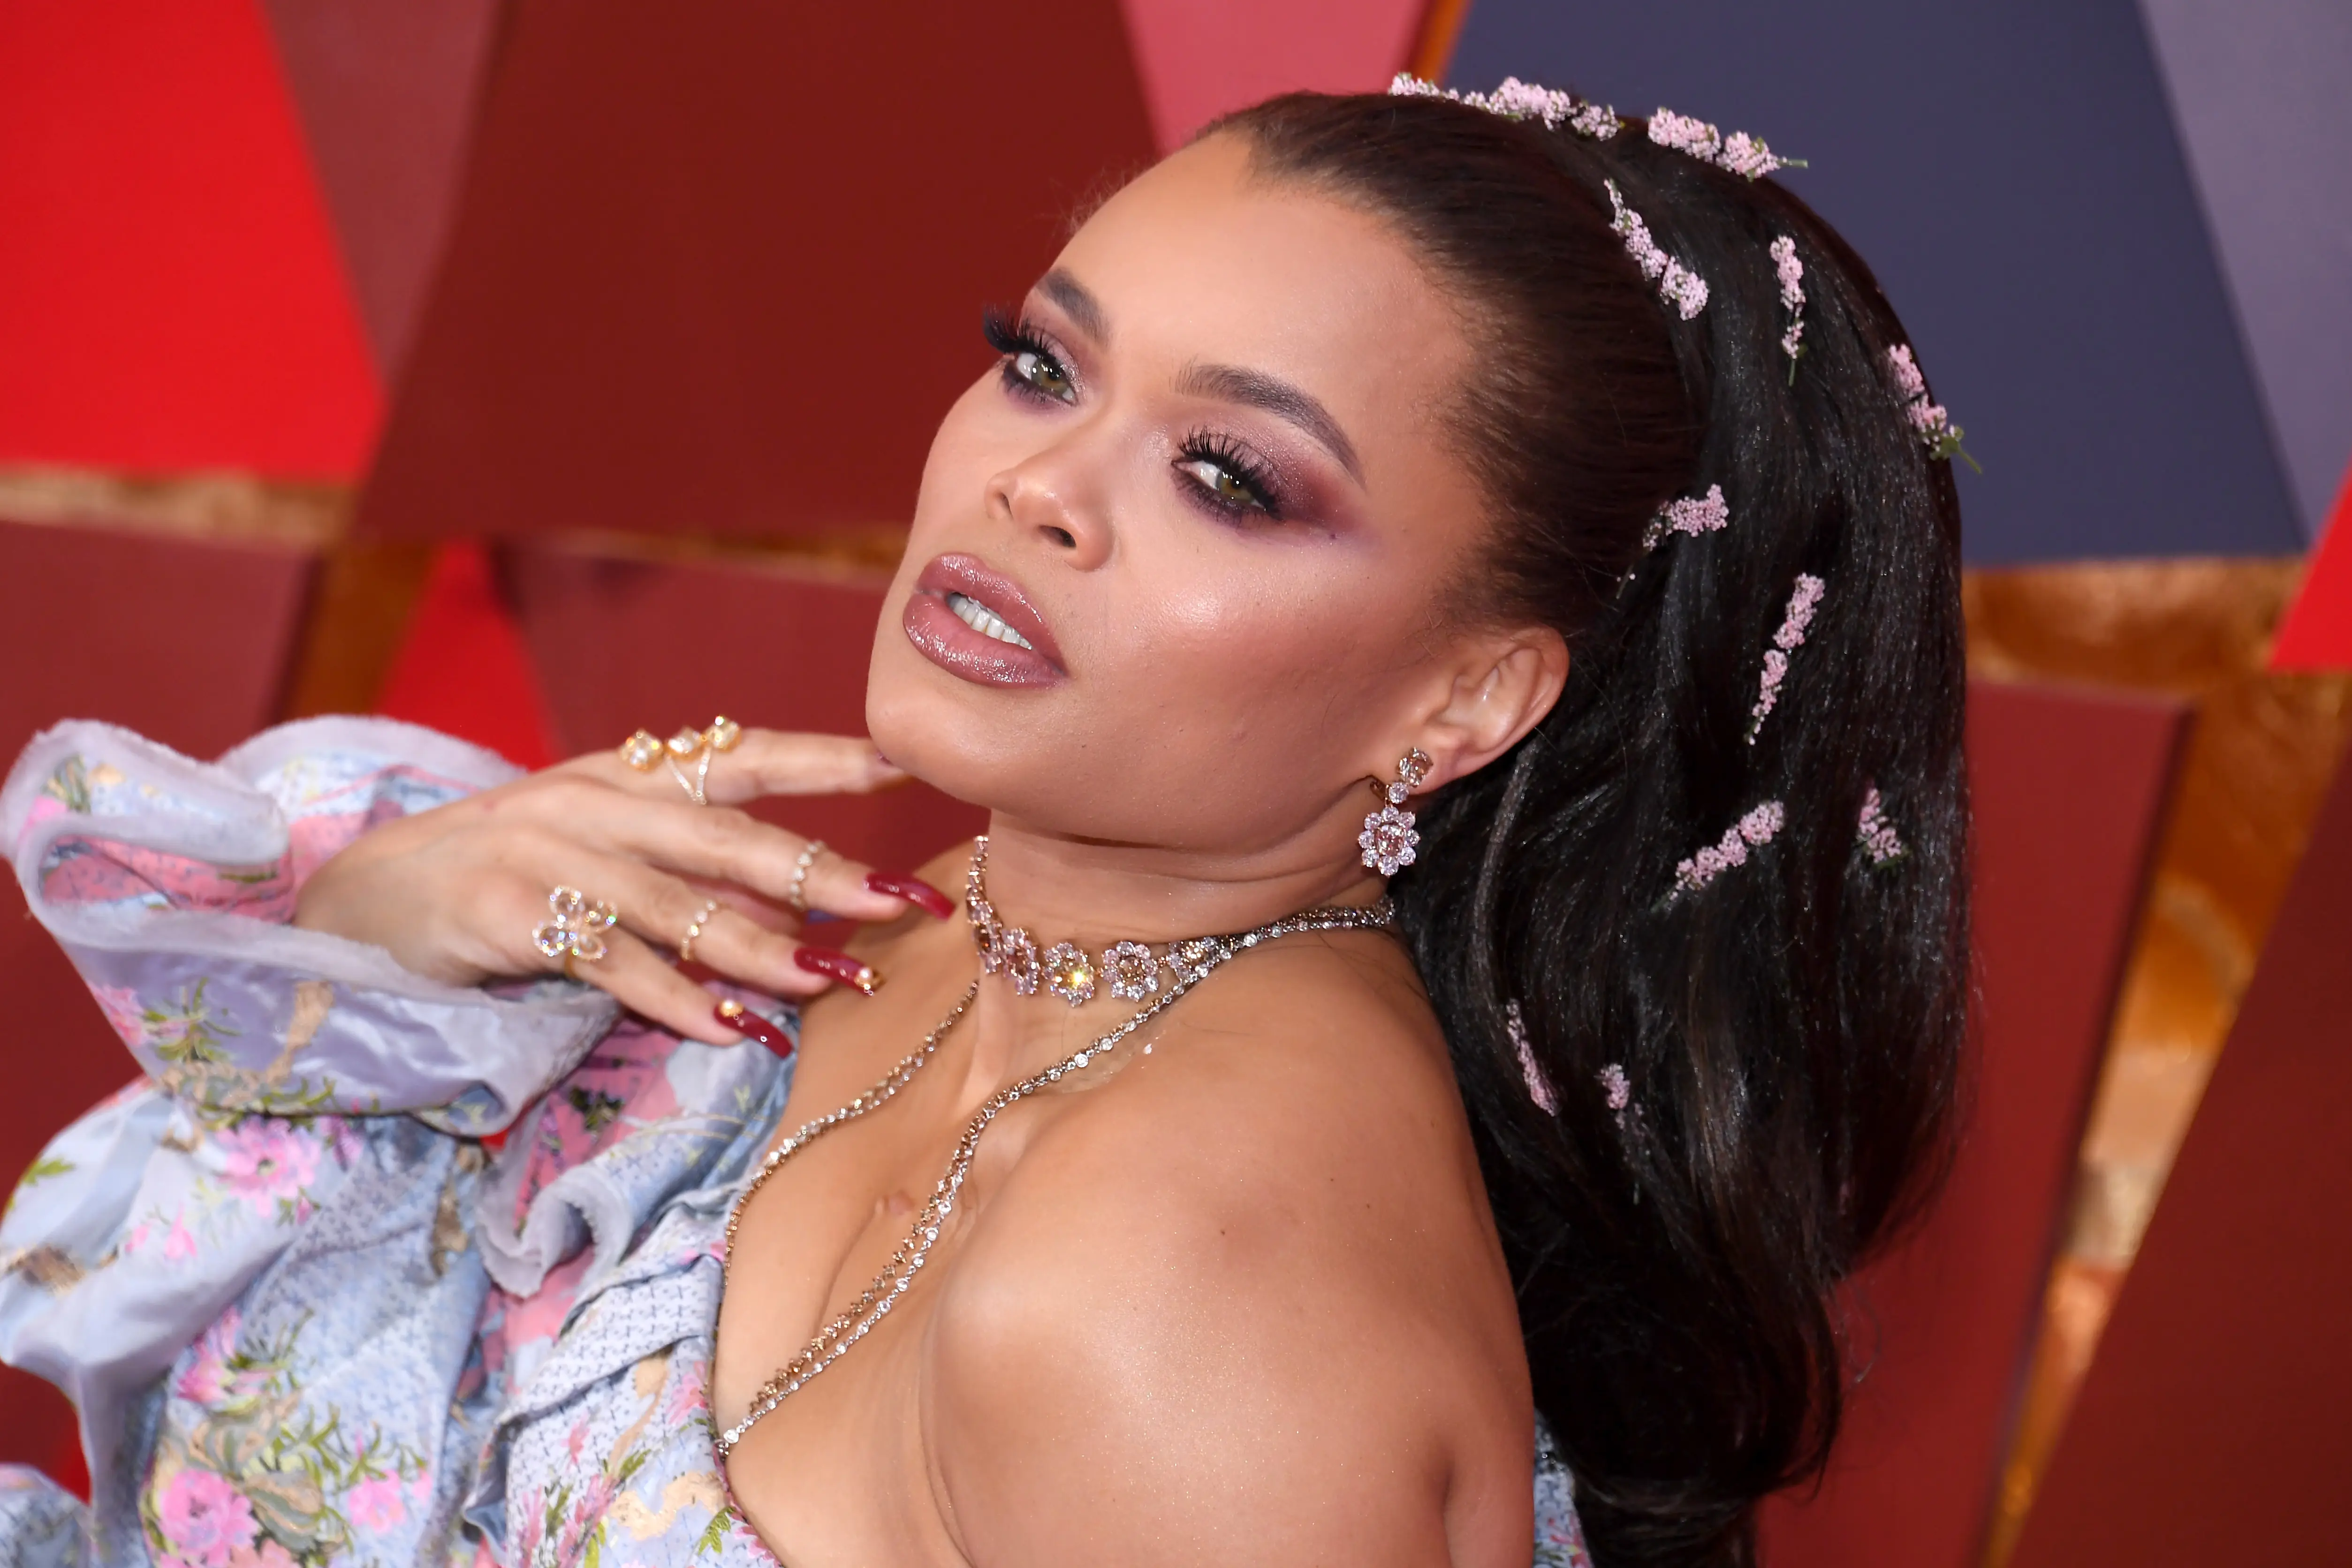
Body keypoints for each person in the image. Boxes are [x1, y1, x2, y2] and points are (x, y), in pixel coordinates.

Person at [0, 78, 1967, 1568]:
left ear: (1465, 700)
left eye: (1228, 474)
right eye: (1043, 363)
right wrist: (394, 909)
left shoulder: (1185, 1294)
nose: (1035, 487)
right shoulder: (963, 918)